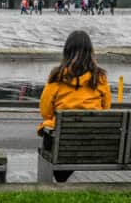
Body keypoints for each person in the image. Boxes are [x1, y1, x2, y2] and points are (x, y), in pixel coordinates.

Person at [37, 30, 112, 182]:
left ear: (66, 51)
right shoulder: (100, 77)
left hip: (63, 138)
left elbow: (45, 111)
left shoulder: (57, 77)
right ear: (91, 52)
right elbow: (106, 108)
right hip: (91, 138)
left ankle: (59, 172)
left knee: (49, 128)